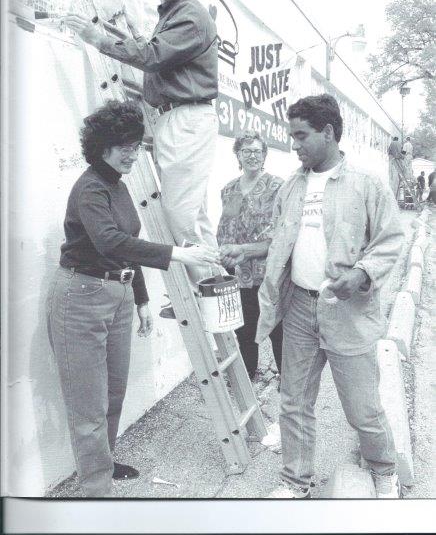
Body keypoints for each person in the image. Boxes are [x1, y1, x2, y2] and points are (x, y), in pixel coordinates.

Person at [46, 100, 219, 497]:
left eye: (135, 145)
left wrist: (140, 299)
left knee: (113, 392)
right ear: (100, 146)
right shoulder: (90, 186)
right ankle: (96, 491)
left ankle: (102, 464)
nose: (131, 153)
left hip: (118, 294)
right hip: (80, 297)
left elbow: (128, 246)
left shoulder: (119, 187)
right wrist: (177, 254)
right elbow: (108, 240)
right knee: (87, 405)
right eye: (121, 145)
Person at [256, 94, 404, 499]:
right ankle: (296, 481)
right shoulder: (291, 187)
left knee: (362, 407)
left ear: (328, 132)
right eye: (292, 136)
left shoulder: (365, 182)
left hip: (347, 311)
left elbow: (391, 240)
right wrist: (250, 252)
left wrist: (360, 273)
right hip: (300, 307)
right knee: (294, 402)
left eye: (301, 135)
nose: (294, 144)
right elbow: (280, 240)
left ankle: (384, 470)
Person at [64, 0, 219, 291]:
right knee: (192, 215)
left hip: (186, 118)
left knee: (179, 216)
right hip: (175, 119)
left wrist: (99, 38)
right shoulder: (170, 15)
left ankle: (205, 294)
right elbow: (154, 58)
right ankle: (214, 289)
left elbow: (153, 57)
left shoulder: (190, 14)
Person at [217, 133, 283, 380]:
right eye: (246, 151)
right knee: (245, 328)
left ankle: (286, 379)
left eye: (257, 151)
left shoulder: (278, 186)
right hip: (240, 272)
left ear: (265, 155)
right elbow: (225, 228)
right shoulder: (229, 189)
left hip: (270, 271)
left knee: (277, 328)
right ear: (238, 155)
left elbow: (282, 231)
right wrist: (223, 254)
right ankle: (248, 375)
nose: (252, 155)